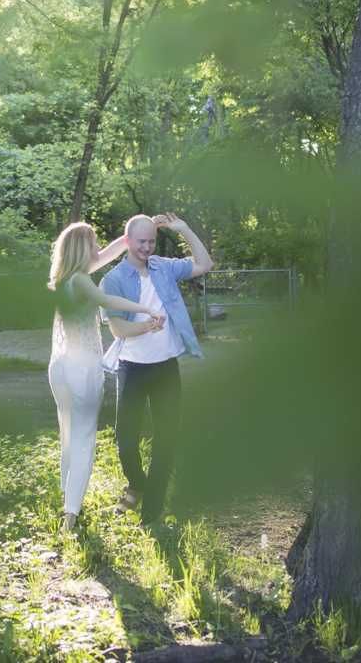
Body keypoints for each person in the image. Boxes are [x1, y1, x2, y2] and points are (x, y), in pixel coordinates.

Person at [47, 222, 166, 532]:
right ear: (82, 249)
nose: (99, 250)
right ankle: (70, 517)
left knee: (69, 436)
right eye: (94, 244)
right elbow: (108, 302)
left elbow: (115, 250)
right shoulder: (83, 281)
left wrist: (137, 230)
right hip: (81, 368)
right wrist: (145, 308)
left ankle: (66, 498)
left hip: (58, 366)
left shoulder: (64, 278)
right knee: (84, 440)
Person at [100, 212, 213, 528]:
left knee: (166, 441)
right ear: (127, 242)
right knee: (126, 439)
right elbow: (118, 329)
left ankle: (152, 512)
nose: (147, 247)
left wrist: (185, 229)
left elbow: (205, 265)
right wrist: (145, 327)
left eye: (151, 241)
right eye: (141, 242)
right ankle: (137, 484)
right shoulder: (115, 279)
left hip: (166, 369)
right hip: (132, 369)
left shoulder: (164, 267)